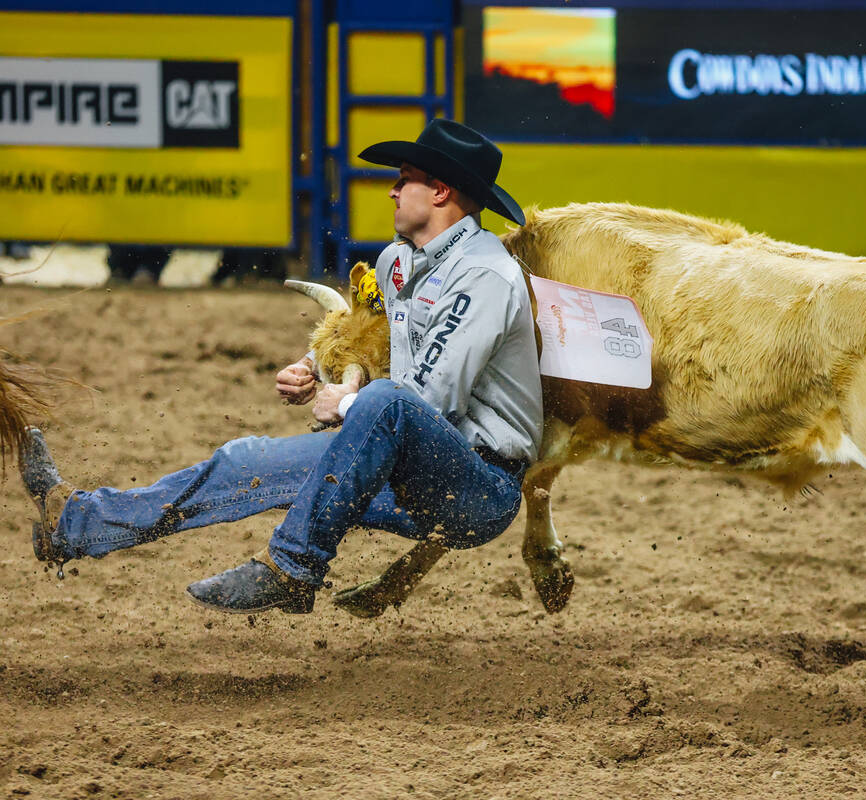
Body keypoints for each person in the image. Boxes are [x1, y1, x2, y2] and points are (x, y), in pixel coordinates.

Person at [18, 119, 543, 614]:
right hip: (398, 458)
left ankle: (293, 567)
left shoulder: (486, 277)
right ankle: (76, 523)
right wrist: (318, 365)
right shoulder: (397, 262)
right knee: (243, 461)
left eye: (403, 180)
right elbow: (373, 334)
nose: (391, 190)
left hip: (478, 486)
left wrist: (351, 402)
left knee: (385, 402)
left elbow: (433, 400)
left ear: (441, 192)